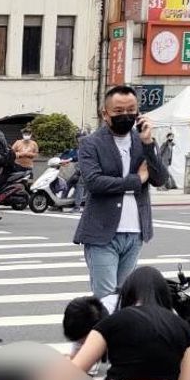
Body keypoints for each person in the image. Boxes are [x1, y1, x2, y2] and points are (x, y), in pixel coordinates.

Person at [74, 84, 169, 299]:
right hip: (101, 233)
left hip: (135, 232)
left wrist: (148, 143)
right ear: (105, 114)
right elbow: (94, 182)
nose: (125, 115)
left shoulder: (143, 141)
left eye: (131, 110)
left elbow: (160, 179)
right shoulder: (91, 143)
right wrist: (137, 180)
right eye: (118, 111)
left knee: (126, 297)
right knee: (106, 298)